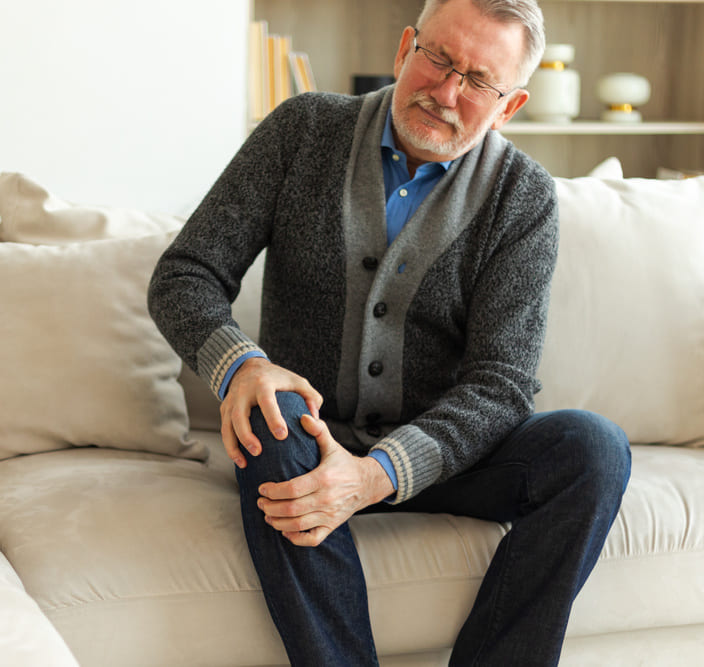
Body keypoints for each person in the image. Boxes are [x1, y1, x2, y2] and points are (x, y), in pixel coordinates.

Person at [147, 0, 631, 664]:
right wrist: (241, 364)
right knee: (271, 413)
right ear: (405, 48)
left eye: (478, 80)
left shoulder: (522, 198)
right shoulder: (302, 130)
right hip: (307, 448)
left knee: (593, 449)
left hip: (441, 457)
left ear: (509, 106)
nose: (446, 91)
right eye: (437, 58)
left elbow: (501, 385)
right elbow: (186, 272)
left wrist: (375, 475)